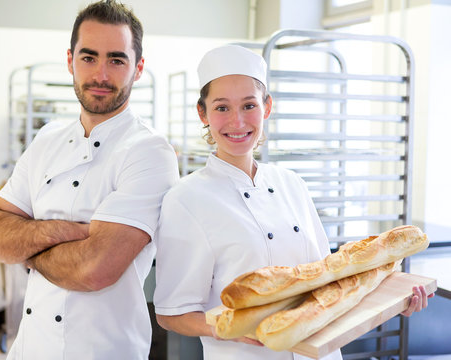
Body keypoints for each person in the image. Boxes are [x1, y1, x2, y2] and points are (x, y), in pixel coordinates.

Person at [153, 45, 431, 360]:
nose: (237, 121)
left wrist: (392, 300)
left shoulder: (291, 184)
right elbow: (171, 313)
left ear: (266, 107)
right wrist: (225, 328)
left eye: (248, 105)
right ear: (203, 113)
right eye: (221, 108)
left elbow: (329, 281)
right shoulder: (187, 198)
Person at [0, 1, 179, 359]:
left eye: (116, 60)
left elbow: (93, 270)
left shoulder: (149, 151)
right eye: (89, 57)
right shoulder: (47, 139)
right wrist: (72, 234)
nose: (101, 74)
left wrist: (27, 250)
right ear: (70, 60)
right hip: (30, 349)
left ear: (138, 68)